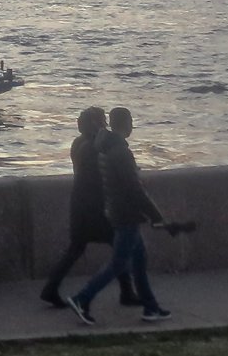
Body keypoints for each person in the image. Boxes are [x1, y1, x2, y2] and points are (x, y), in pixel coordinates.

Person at [67, 107, 171, 325]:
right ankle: (82, 298)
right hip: (127, 215)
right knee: (118, 264)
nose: (133, 125)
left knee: (139, 260)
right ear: (124, 123)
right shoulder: (121, 151)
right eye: (131, 120)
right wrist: (155, 214)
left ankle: (151, 307)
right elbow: (134, 189)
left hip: (116, 211)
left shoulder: (105, 147)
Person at [39, 106, 138, 308]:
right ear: (95, 123)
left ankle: (51, 288)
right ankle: (127, 292)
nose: (105, 124)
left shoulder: (78, 144)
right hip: (97, 207)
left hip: (79, 204)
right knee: (121, 246)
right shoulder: (96, 146)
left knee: (75, 249)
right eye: (102, 120)